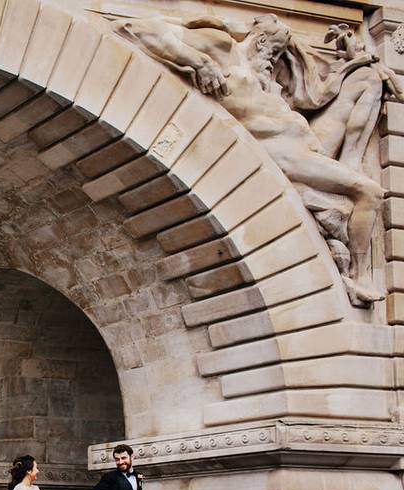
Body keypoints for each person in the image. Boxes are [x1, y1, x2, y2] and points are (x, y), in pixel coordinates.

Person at [113, 14, 386, 306]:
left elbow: (314, 98)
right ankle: (360, 276)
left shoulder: (264, 81)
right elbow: (137, 26)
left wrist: (354, 61)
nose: (274, 64)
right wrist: (198, 61)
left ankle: (351, 164)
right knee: (369, 191)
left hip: (306, 144)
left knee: (368, 79)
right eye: (273, 53)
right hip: (287, 155)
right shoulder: (223, 49)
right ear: (260, 40)